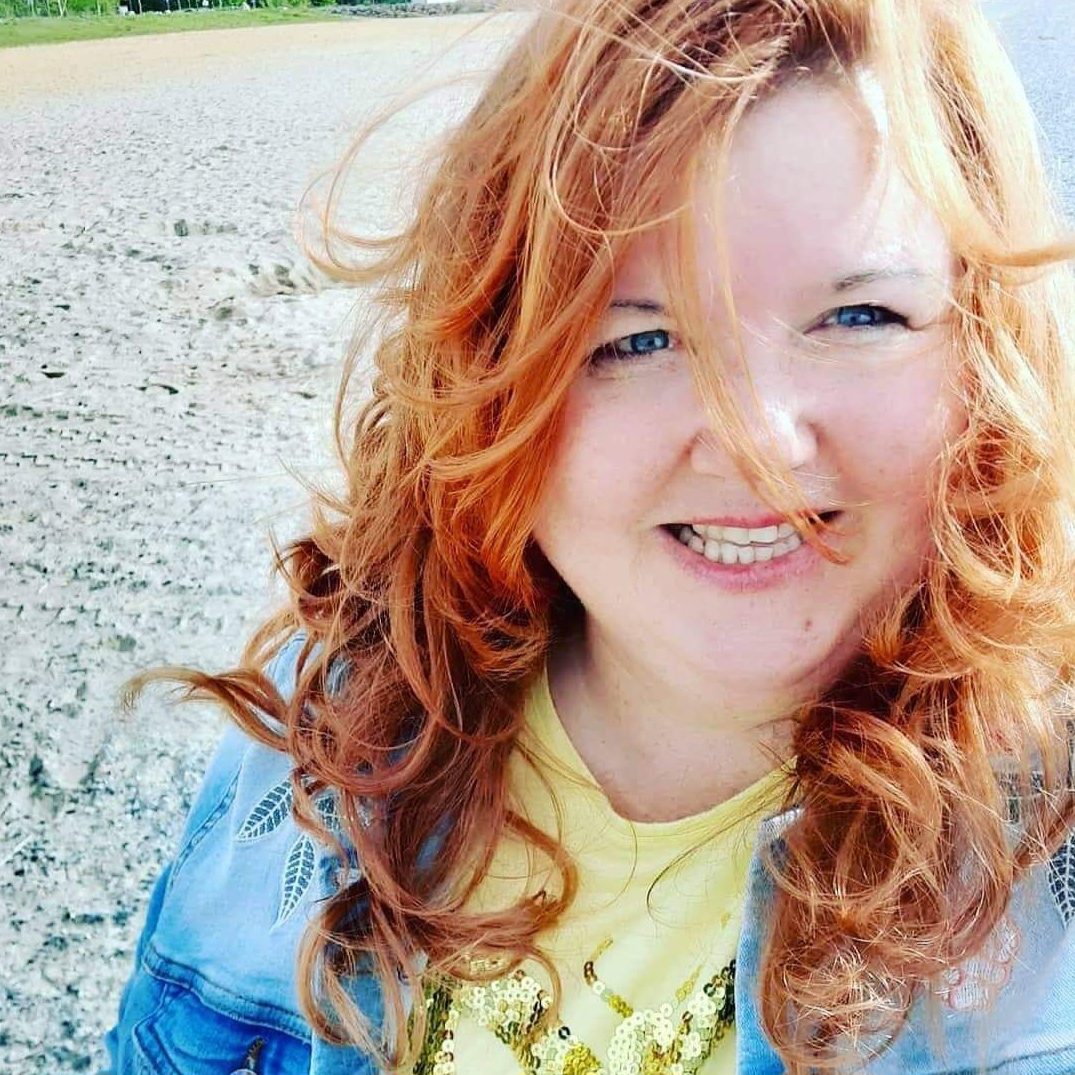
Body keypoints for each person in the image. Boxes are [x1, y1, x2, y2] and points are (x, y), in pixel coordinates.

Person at [103, 0, 1075, 1072]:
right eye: (638, 338)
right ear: (493, 378)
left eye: (859, 318)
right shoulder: (326, 730)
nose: (757, 441)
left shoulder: (1053, 853)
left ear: (987, 356)